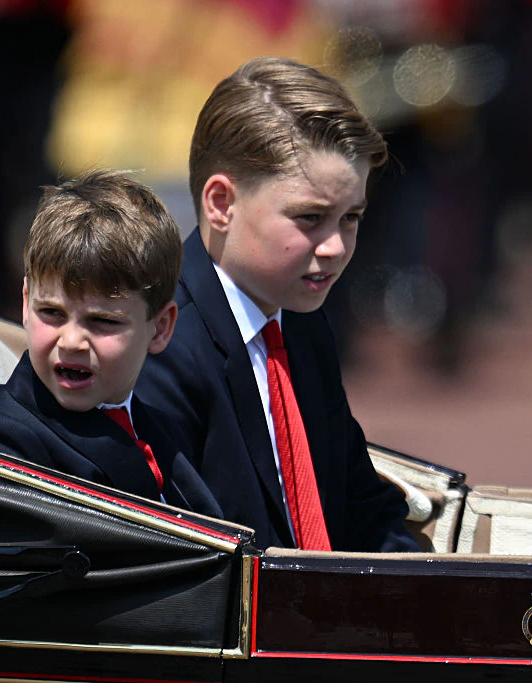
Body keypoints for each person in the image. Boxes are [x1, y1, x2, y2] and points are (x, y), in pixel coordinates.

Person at [137, 57, 422, 552]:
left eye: (351, 217)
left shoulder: (301, 323)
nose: (334, 246)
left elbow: (359, 508)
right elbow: (187, 556)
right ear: (222, 204)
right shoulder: (161, 346)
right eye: (309, 218)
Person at [0, 170, 221, 517]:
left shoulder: (161, 427)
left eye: (102, 321)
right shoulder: (3, 443)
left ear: (159, 329)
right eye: (51, 312)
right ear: (25, 303)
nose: (71, 341)